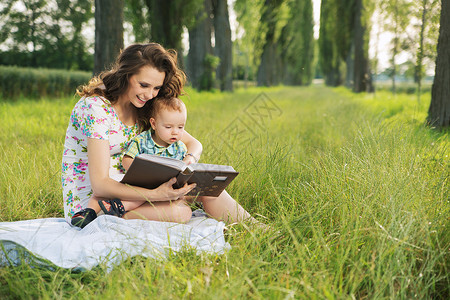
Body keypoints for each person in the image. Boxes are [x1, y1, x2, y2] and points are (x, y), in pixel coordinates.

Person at [61, 43, 257, 229]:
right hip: (95, 204)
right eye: (144, 85)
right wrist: (156, 194)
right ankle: (113, 221)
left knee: (208, 189)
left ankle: (259, 229)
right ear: (125, 75)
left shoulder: (143, 107)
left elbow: (193, 144)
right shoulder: (96, 108)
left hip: (136, 189)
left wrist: (188, 163)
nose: (149, 94)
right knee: (180, 213)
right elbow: (100, 186)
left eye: (156, 88)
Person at [71, 96, 190, 228]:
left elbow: (180, 168)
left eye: (181, 127)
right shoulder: (142, 140)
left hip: (161, 185)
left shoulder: (180, 148)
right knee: (110, 190)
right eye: (168, 127)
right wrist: (142, 172)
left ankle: (117, 207)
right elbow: (126, 160)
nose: (175, 132)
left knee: (143, 199)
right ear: (154, 124)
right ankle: (89, 212)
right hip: (140, 180)